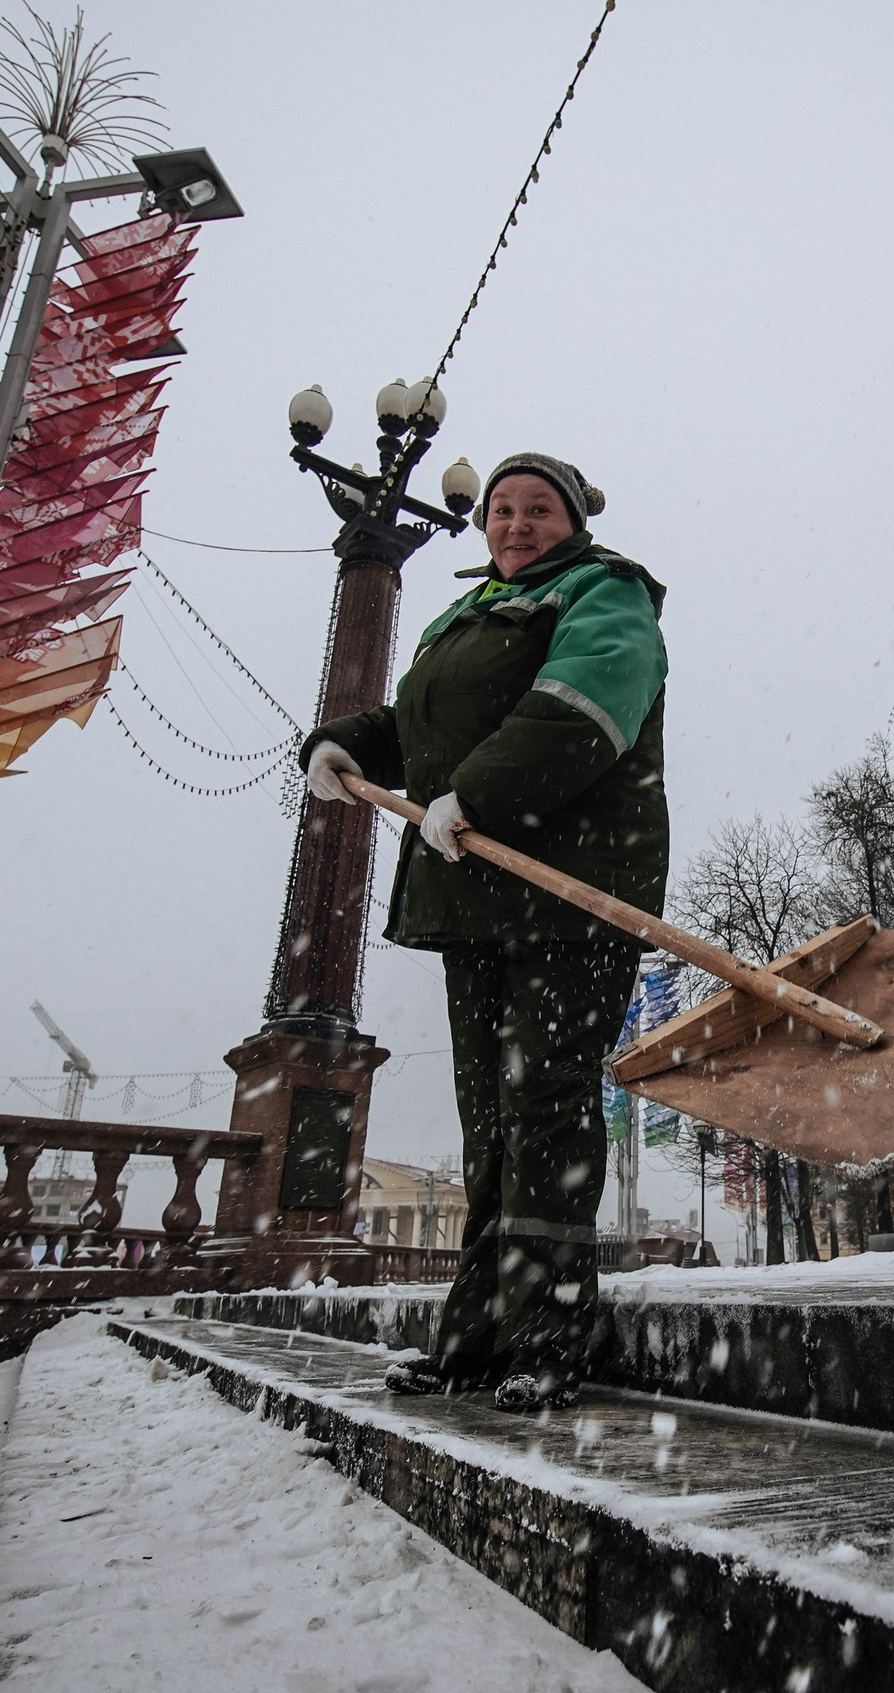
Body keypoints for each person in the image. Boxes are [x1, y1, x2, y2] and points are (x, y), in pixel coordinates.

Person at [302, 453, 667, 1413]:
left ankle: (553, 1335)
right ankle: (476, 1337)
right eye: (502, 510)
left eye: (537, 509)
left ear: (574, 518)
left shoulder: (606, 593)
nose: (514, 524)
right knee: (492, 1122)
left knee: (546, 1108)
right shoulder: (462, 616)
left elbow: (584, 710)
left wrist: (480, 794)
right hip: (476, 894)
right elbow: (417, 722)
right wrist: (352, 741)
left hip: (568, 891)